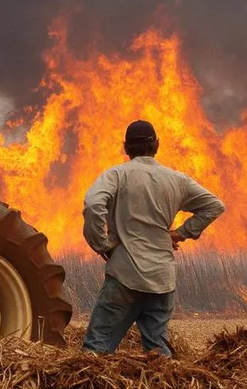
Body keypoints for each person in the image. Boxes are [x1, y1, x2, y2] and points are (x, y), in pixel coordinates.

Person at [80, 119, 225, 356]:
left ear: (125, 147)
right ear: (157, 145)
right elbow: (214, 205)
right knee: (158, 357)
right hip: (161, 280)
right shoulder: (177, 180)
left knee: (96, 351)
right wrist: (181, 232)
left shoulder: (117, 175)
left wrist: (101, 244)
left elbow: (94, 204)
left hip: (124, 275)